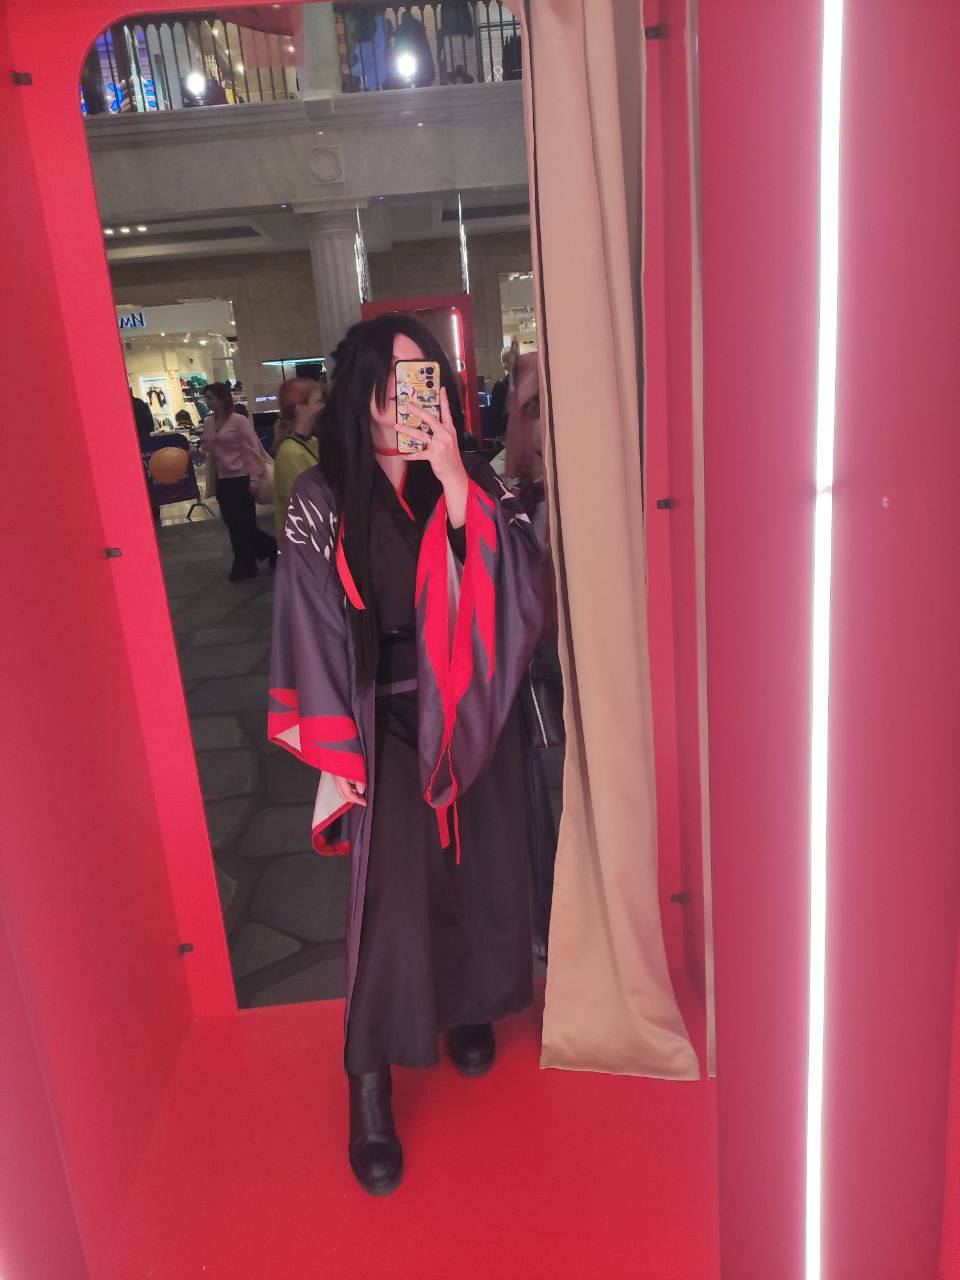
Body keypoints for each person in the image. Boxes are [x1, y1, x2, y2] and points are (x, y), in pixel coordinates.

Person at [269, 315, 543, 1196]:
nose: (409, 396)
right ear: (362, 389)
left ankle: (470, 1007)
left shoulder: (469, 476)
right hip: (376, 714)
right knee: (389, 901)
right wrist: (335, 749)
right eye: (394, 378)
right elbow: (308, 619)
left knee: (477, 872)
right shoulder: (323, 495)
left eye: (426, 377)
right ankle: (370, 1082)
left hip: (468, 710)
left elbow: (519, 587)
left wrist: (457, 480)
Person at [200, 381, 277, 581]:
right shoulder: (209, 422)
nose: (206, 401)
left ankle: (252, 559)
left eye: (210, 397)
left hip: (242, 478)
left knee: (245, 524)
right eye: (205, 397)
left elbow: (252, 450)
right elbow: (208, 445)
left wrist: (254, 478)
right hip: (223, 480)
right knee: (232, 524)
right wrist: (201, 450)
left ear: (222, 399)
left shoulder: (239, 421)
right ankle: (255, 556)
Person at [272, 378, 325, 540]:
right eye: (317, 402)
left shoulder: (311, 442)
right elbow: (307, 506)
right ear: (300, 407)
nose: (322, 407)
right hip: (305, 542)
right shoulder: (290, 453)